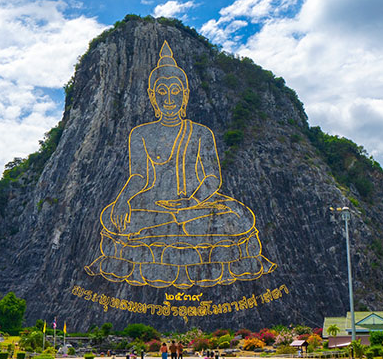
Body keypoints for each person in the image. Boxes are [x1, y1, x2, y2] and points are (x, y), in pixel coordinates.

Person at [86, 41, 275, 288]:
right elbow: (140, 176)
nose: (169, 98)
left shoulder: (201, 132)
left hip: (197, 205)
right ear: (152, 96)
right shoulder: (140, 133)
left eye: (175, 90)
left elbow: (212, 178)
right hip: (155, 206)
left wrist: (192, 202)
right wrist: (123, 200)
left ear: (185, 94)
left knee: (239, 217)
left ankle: (172, 237)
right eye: (161, 91)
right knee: (112, 216)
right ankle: (179, 236)